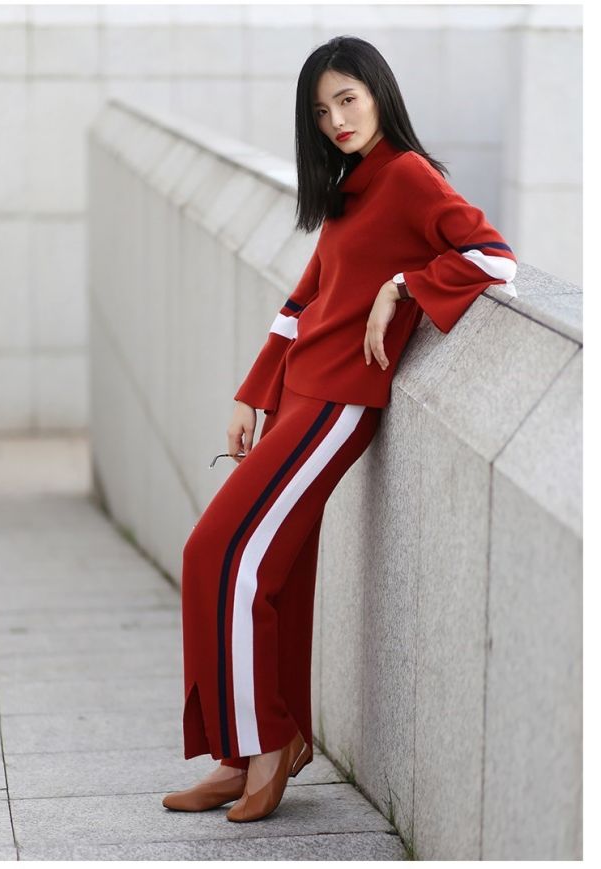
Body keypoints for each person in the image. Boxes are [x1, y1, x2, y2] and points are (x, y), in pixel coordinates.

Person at [162, 35, 517, 823]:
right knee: (274, 571)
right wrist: (252, 391)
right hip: (297, 395)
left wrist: (404, 286)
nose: (336, 120)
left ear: (379, 93)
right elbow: (305, 299)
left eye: (347, 100)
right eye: (322, 111)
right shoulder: (352, 186)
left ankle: (267, 741)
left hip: (339, 404)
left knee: (220, 554)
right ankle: (245, 748)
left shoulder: (411, 177)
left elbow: (495, 259)